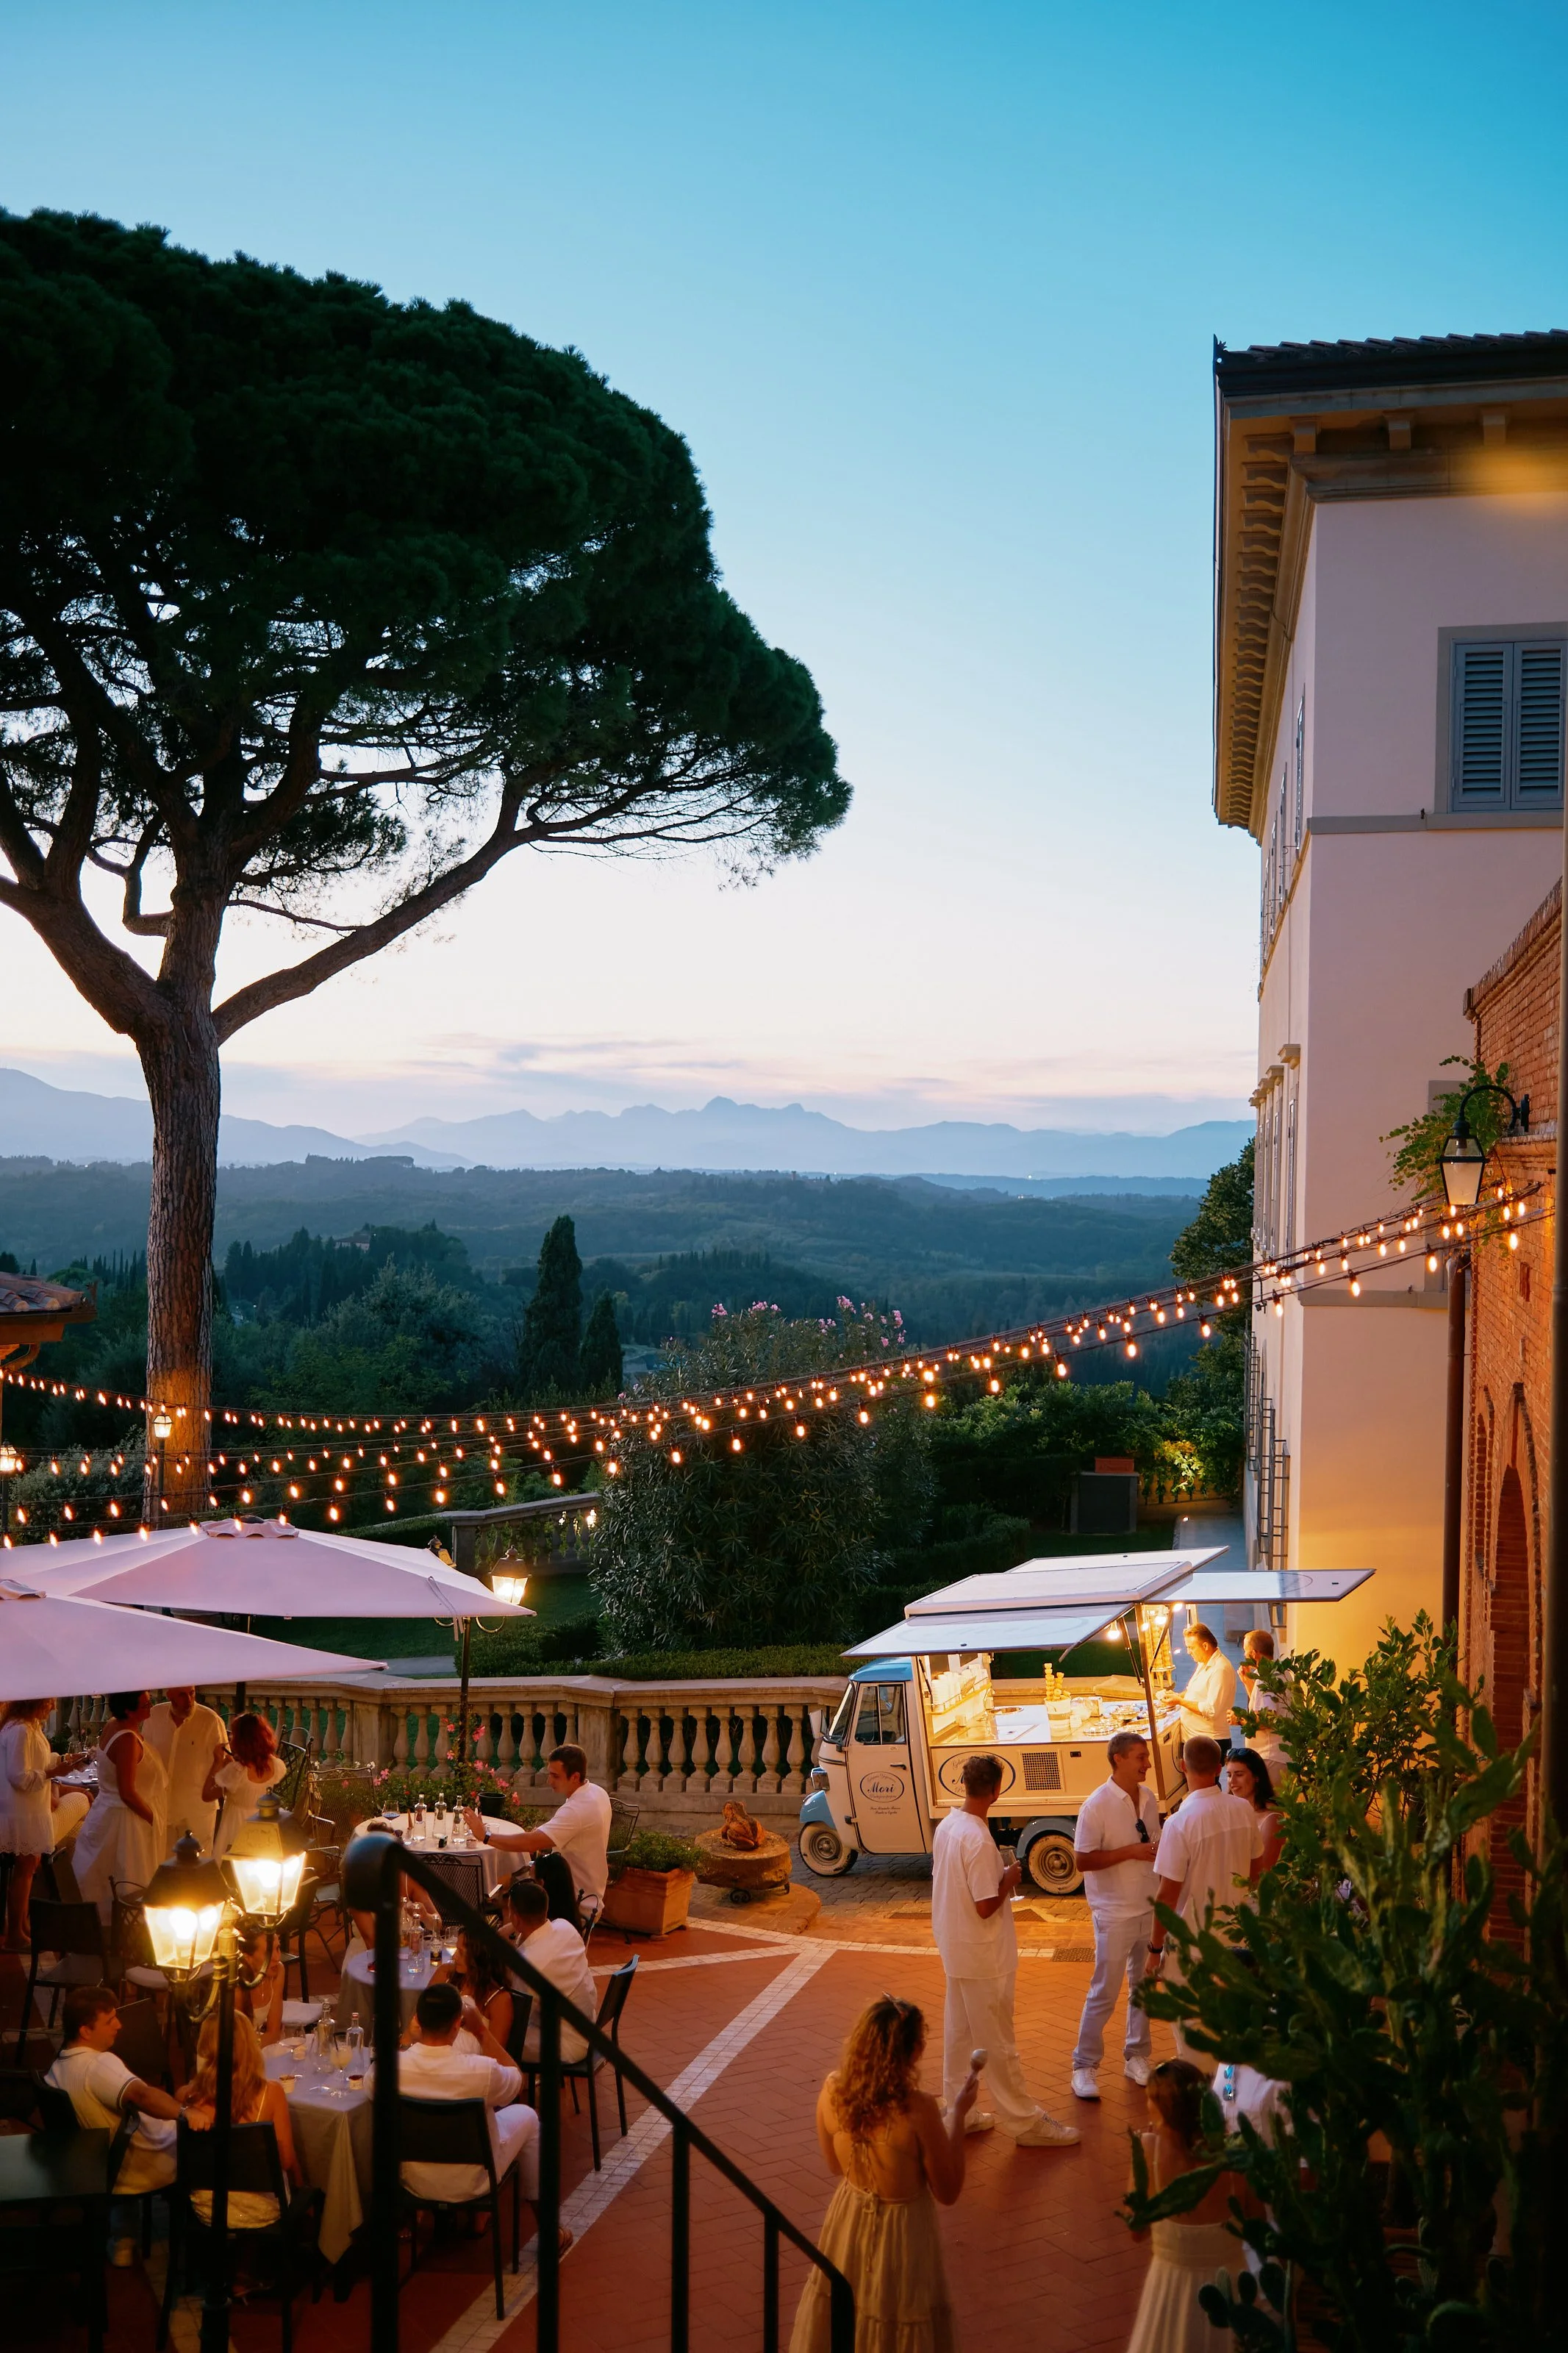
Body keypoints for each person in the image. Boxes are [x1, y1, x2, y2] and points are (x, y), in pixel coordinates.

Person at [789, 1995, 970, 2353]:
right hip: (902, 2232)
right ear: (913, 2052)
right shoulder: (918, 2109)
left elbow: (833, 2165)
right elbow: (948, 2191)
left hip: (848, 2218)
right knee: (898, 2315)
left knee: (844, 2305)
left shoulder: (832, 2090)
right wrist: (960, 2116)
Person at [929, 1753, 1078, 2149]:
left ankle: (958, 2112)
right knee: (998, 2041)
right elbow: (984, 1905)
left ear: (965, 1785)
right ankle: (1024, 2121)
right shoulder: (977, 1839)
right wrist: (1010, 1876)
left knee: (959, 2034)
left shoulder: (948, 1826)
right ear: (995, 1791)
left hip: (956, 1948)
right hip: (982, 1954)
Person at [400, 1980, 571, 2255]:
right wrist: (481, 2031)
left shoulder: (387, 2072)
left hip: (414, 2180)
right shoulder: (481, 2072)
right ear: (458, 2025)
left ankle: (408, 2218)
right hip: (474, 2179)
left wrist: (410, 2039)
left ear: (417, 2020)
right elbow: (517, 2079)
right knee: (528, 2117)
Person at [1145, 1739, 1266, 2068]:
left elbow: (1166, 1897)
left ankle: (1203, 2110)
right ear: (1218, 1769)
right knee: (1231, 2036)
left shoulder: (1179, 1824)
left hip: (1193, 1949)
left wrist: (1154, 1952)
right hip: (1236, 1942)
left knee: (1193, 2040)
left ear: (1183, 1767)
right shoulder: (1243, 1811)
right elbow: (1255, 1874)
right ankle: (1227, 2100)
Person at [46, 1986, 187, 2264]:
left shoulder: (56, 2070)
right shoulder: (98, 2064)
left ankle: (123, 2237)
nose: (119, 2025)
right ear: (86, 2031)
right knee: (209, 2136)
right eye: (110, 2020)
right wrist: (186, 2113)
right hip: (139, 2166)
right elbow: (143, 2095)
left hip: (96, 2166)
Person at [1125, 2058, 1253, 2353]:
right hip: (1228, 2284)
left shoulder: (1148, 2150)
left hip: (1171, 2288)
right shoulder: (1230, 2067)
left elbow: (1137, 2228)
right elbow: (1253, 2220)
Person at [1070, 1729, 1161, 2099]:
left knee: (1145, 1986)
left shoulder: (1149, 1798)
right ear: (1118, 1759)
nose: (1148, 1764)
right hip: (1114, 1913)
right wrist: (1132, 1852)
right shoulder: (1096, 1805)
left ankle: (1136, 2055)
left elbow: (1152, 1843)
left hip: (1149, 1907)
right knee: (1104, 1992)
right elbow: (1082, 1860)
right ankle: (1084, 2065)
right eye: (1140, 1757)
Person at [184, 2007, 302, 2227]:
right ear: (249, 2045)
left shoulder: (187, 2096)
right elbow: (285, 2160)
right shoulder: (271, 2093)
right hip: (258, 2208)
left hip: (207, 2204)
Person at [465, 1743, 611, 1915]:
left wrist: (486, 1836)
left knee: (506, 1901)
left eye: (555, 1776)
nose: (549, 1781)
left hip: (575, 1905)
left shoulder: (577, 1810)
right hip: (592, 1894)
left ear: (575, 1777)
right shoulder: (596, 1792)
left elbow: (531, 1844)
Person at [0, 1698, 88, 1949]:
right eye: (51, 1702)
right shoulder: (20, 1730)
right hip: (22, 1811)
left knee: (29, 1866)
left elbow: (39, 1760)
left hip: (30, 1809)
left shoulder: (30, 1727)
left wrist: (66, 1759)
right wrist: (54, 1774)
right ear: (37, 1701)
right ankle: (15, 1933)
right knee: (25, 1868)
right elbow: (18, 1777)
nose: (54, 1707)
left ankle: (22, 1926)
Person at [74, 1691, 166, 1922]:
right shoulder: (126, 1740)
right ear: (129, 1709)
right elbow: (127, 1792)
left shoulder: (114, 1725)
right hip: (126, 1822)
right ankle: (123, 1935)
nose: (151, 1707)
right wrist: (153, 1818)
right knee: (126, 1880)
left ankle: (109, 1933)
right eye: (146, 1704)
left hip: (108, 1813)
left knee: (106, 1878)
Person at [506, 1877, 596, 2061]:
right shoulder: (565, 1927)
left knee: (493, 2037)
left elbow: (516, 2020)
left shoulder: (530, 1966)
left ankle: (510, 2085)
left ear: (515, 1918)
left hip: (565, 2043)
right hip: (588, 2026)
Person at [145, 1686, 227, 1850]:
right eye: (182, 1695)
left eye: (192, 1693)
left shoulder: (211, 1721)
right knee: (162, 1868)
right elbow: (146, 1756)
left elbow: (225, 1764)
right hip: (161, 1809)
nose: (189, 1700)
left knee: (197, 1870)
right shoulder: (155, 1716)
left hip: (196, 1812)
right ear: (169, 1694)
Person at [205, 1710, 287, 1862]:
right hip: (262, 1827)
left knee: (231, 1871)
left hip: (235, 1830)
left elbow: (207, 1795)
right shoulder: (275, 1764)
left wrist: (218, 1762)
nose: (231, 1738)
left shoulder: (237, 1771)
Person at [432, 1925, 516, 2055]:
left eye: (460, 1952)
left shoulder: (499, 2000)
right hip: (428, 2062)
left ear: (478, 1958)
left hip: (467, 2072)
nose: (454, 1957)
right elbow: (418, 2023)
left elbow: (496, 2059)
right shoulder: (445, 1975)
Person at [1234, 1629, 1289, 1774]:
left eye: (1246, 1651)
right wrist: (1247, 1682)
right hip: (1282, 1756)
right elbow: (1263, 1705)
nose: (1244, 1656)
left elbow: (1267, 1720)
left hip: (1270, 1756)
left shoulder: (1265, 1675)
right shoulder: (1281, 1671)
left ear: (1253, 1654)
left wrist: (1239, 1719)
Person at [1178, 1626, 1238, 1755]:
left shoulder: (1220, 1669)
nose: (1188, 1652)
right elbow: (1191, 1692)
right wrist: (1176, 1696)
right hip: (1195, 1739)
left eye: (1191, 1647)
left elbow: (1211, 1710)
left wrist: (1180, 1701)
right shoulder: (1203, 1663)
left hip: (1209, 1742)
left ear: (1205, 1646)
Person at [1225, 1749, 1283, 1876]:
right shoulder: (1230, 1810)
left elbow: (1263, 1872)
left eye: (1239, 1775)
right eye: (1229, 1775)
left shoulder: (1272, 1818)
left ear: (1257, 1777)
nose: (1232, 1782)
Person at [235, 1924, 286, 2045]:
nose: (277, 1958)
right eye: (268, 1953)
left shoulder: (278, 1971)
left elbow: (274, 2034)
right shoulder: (237, 1987)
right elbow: (238, 2044)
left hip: (253, 2046)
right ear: (248, 1958)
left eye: (278, 1948)